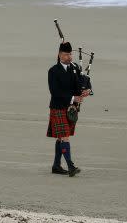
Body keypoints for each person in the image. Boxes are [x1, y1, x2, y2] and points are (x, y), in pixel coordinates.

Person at [47, 42, 91, 177]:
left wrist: (87, 90)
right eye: (66, 54)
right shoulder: (53, 71)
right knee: (64, 136)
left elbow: (85, 81)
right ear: (60, 55)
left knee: (61, 137)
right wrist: (73, 98)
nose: (69, 57)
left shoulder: (76, 68)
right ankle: (71, 166)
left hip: (71, 109)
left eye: (70, 54)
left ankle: (56, 166)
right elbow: (55, 92)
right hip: (58, 107)